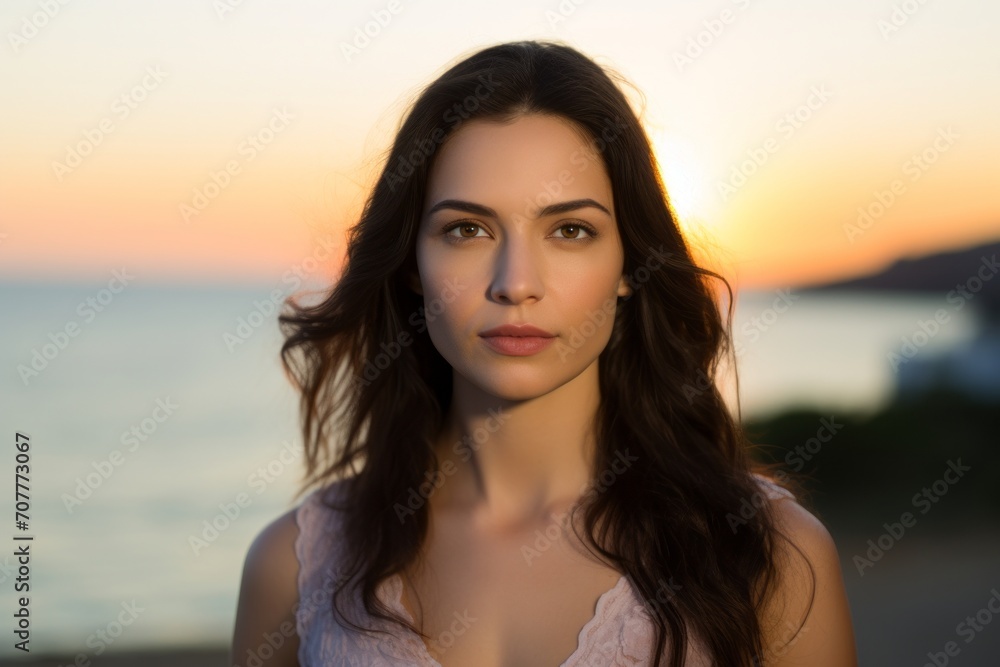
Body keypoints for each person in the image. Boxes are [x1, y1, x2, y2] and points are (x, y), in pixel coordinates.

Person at [231, 39, 858, 667]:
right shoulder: (295, 567)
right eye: (467, 230)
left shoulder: (769, 557)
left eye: (570, 230)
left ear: (628, 264)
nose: (516, 282)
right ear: (412, 265)